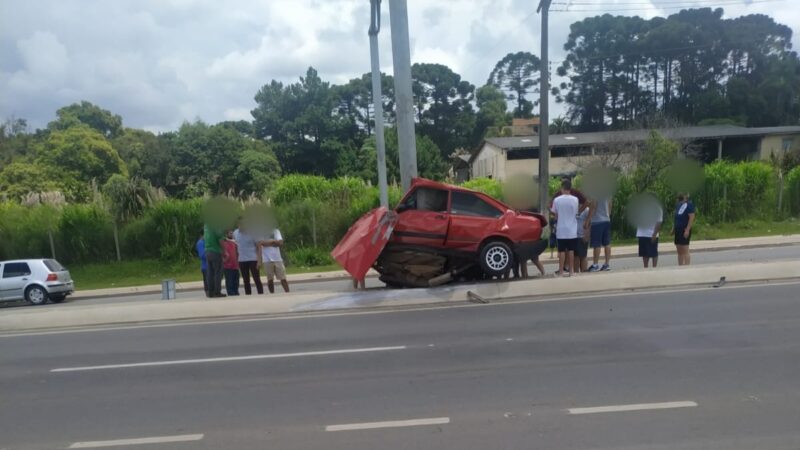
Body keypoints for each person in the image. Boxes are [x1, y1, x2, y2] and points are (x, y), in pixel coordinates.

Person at [551, 179, 579, 277]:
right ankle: (571, 271)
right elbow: (575, 212)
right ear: (570, 188)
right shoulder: (575, 199)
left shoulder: (557, 200)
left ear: (562, 188)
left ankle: (561, 272)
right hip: (572, 229)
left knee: (561, 251)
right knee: (571, 250)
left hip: (561, 229)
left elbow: (555, 214)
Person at [234, 225, 264, 295]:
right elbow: (236, 246)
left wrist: (259, 260)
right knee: (246, 280)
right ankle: (248, 295)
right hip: (242, 260)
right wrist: (236, 259)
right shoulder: (235, 233)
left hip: (253, 259)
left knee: (256, 279)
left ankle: (261, 294)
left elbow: (259, 247)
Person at [258, 228, 290, 293]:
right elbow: (261, 243)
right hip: (267, 259)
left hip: (277, 259)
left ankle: (288, 293)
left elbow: (280, 243)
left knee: (283, 278)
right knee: (270, 280)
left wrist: (267, 243)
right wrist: (273, 242)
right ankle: (272, 294)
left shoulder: (276, 231)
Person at [637, 193, 663, 268]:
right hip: (642, 233)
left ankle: (654, 267)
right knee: (644, 253)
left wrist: (654, 234)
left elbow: (659, 222)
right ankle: (645, 267)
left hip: (651, 233)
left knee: (653, 253)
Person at [588, 194, 613, 272]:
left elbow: (593, 206)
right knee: (607, 243)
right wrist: (608, 215)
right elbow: (610, 205)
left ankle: (595, 265)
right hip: (606, 219)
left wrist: (588, 219)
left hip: (597, 220)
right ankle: (607, 264)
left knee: (596, 244)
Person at [671, 193, 696, 266]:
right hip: (678, 229)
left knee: (685, 249)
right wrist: (673, 228)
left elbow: (691, 217)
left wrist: (687, 229)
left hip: (684, 229)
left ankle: (687, 266)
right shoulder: (678, 205)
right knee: (679, 250)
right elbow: (676, 217)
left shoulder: (689, 205)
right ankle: (680, 266)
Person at [203, 223, 226, 298]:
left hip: (207, 250)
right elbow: (220, 239)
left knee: (210, 273)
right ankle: (217, 292)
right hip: (215, 251)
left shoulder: (206, 225)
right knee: (218, 272)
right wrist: (224, 251)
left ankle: (210, 292)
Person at [222, 230, 240, 296]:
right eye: (230, 233)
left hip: (235, 265)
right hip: (227, 266)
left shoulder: (234, 242)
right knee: (229, 281)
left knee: (236, 281)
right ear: (226, 234)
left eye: (232, 233)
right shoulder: (224, 242)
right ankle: (231, 293)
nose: (232, 234)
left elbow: (237, 252)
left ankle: (236, 292)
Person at [574, 206, 590, 273]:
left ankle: (584, 272)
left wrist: (587, 235)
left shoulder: (587, 210)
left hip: (582, 236)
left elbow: (590, 223)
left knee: (583, 256)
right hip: (574, 236)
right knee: (575, 256)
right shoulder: (574, 209)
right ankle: (576, 272)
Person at [195, 230, 208, 296]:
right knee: (207, 282)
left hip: (210, 265)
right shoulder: (200, 243)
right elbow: (202, 255)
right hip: (205, 266)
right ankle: (207, 293)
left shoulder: (206, 242)